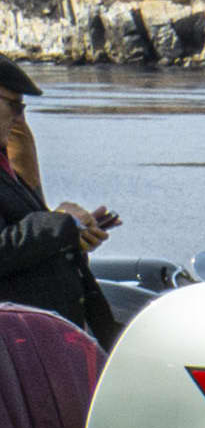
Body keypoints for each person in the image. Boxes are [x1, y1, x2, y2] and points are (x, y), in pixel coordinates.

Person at [0, 60, 127, 343]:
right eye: (14, 106)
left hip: (42, 339)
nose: (20, 120)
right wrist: (61, 222)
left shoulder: (8, 169)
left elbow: (21, 241)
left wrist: (71, 236)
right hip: (18, 345)